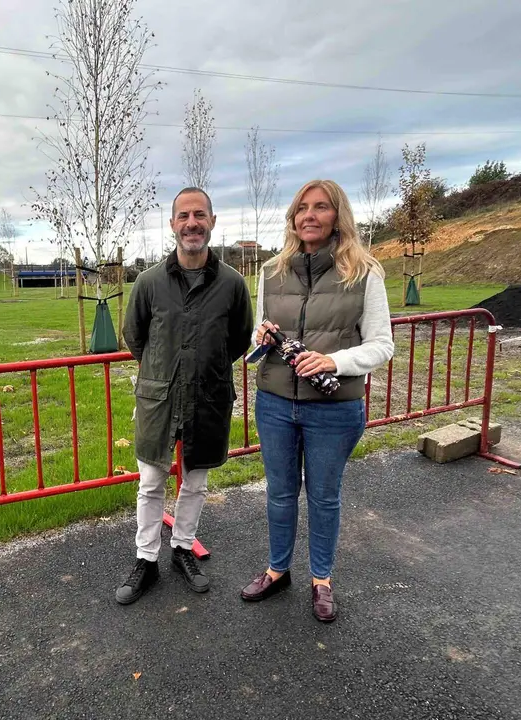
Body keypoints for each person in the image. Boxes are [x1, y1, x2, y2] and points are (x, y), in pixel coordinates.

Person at [240, 179, 394, 622]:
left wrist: (334, 360)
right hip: (274, 403)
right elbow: (258, 332)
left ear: (337, 216)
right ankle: (277, 569)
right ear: (292, 218)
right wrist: (263, 338)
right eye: (302, 208)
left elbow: (382, 345)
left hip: (333, 408)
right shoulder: (270, 271)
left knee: (324, 497)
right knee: (280, 494)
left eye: (320, 207)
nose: (309, 215)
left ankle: (321, 579)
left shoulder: (365, 273)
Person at [117, 187, 253, 605]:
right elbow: (134, 335)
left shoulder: (232, 284)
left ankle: (183, 549)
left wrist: (202, 371)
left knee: (195, 480)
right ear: (173, 224)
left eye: (199, 215)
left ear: (212, 221)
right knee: (151, 481)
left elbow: (239, 340)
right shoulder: (149, 282)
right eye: (183, 216)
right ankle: (146, 559)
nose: (191, 223)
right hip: (159, 399)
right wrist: (164, 373)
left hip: (208, 397)